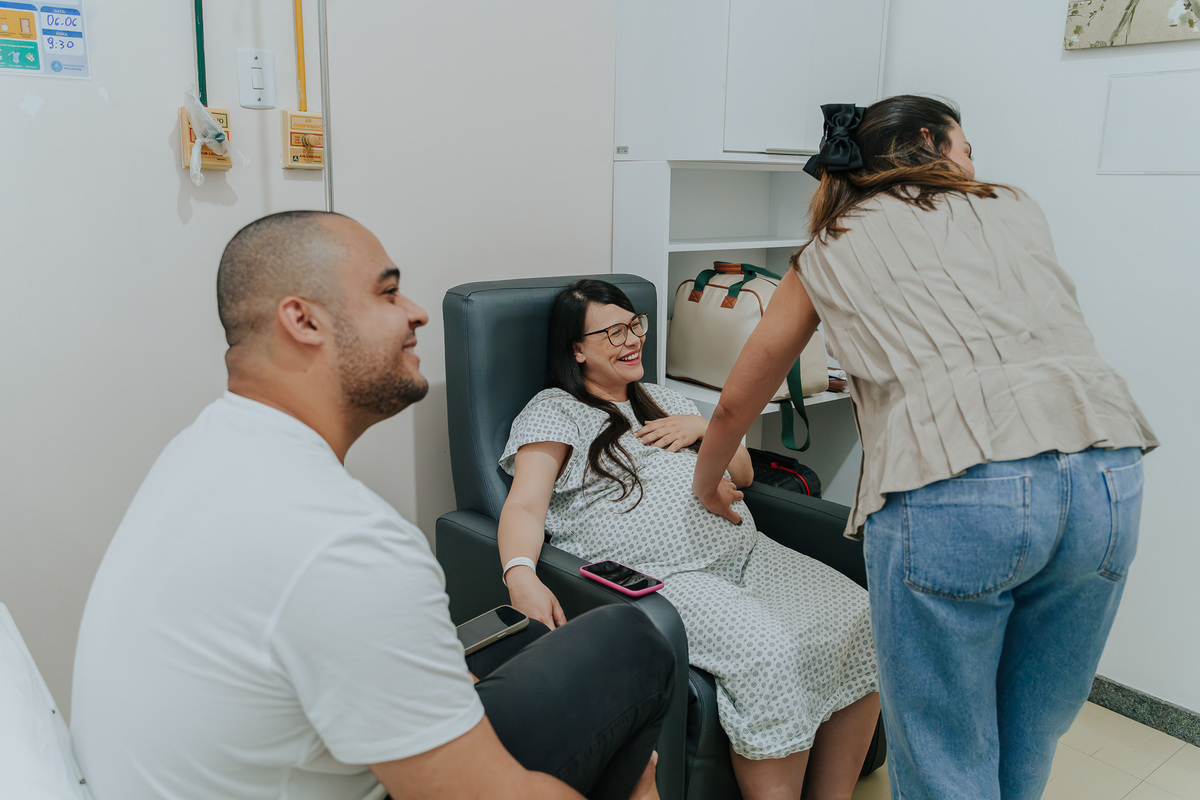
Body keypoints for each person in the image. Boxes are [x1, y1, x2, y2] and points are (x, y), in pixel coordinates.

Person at [70, 211, 675, 800]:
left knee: (535, 648)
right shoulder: (345, 541)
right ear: (303, 321)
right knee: (634, 640)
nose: (415, 313)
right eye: (388, 295)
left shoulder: (200, 448)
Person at [692, 97, 1159, 800]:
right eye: (966, 146)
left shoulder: (832, 244)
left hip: (958, 485)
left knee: (947, 752)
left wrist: (705, 480)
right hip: (1106, 474)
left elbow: (738, 398)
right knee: (1029, 731)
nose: (974, 162)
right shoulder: (1014, 205)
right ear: (926, 143)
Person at [498, 279, 881, 800]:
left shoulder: (664, 397)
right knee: (767, 653)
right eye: (612, 332)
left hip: (745, 554)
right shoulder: (554, 410)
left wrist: (702, 428)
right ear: (577, 349)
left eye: (635, 325)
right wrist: (519, 572)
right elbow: (524, 504)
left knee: (860, 613)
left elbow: (743, 473)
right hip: (669, 579)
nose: (631, 339)